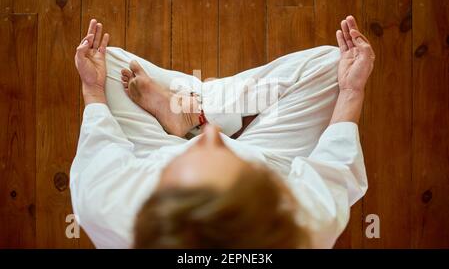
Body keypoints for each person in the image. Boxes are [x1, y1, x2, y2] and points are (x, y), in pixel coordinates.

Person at [70, 15, 374, 248]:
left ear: (157, 192)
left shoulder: (110, 205)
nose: (213, 136)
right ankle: (199, 112)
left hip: (154, 150)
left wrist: (93, 86)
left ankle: (189, 115)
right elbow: (334, 168)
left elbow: (100, 143)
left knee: (108, 62)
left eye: (202, 147)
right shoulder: (299, 226)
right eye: (221, 149)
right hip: (271, 160)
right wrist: (351, 89)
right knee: (332, 64)